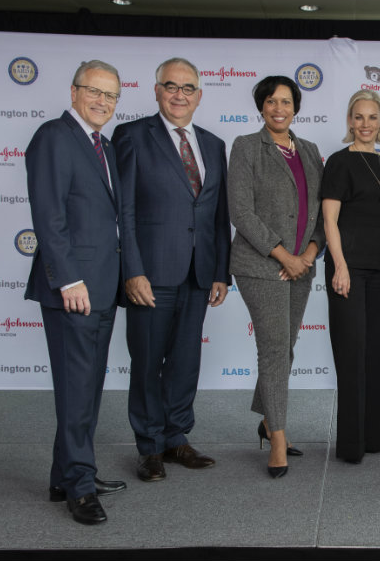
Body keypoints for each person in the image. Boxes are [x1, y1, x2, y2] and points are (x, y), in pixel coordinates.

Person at [112, 58, 231, 482]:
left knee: (185, 360)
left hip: (199, 274)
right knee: (146, 361)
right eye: (171, 86)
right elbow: (123, 210)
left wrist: (221, 271)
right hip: (151, 273)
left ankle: (176, 437)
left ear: (199, 95)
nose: (179, 94)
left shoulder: (214, 144)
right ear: (156, 90)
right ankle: (149, 447)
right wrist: (133, 270)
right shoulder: (131, 136)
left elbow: (218, 214)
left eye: (188, 88)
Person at [24, 60, 126, 525]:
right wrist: (68, 279)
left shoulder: (101, 145)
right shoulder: (54, 137)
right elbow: (49, 215)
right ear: (73, 92)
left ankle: (64, 475)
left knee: (84, 389)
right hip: (74, 289)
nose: (103, 102)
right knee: (76, 389)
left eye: (111, 95)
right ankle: (80, 489)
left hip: (101, 286)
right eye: (95, 92)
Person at [227, 75, 325, 478]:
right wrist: (283, 255)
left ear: (296, 107)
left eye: (286, 101)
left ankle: (268, 421)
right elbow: (241, 211)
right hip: (261, 265)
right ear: (261, 106)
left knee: (284, 350)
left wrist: (308, 254)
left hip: (302, 265)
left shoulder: (311, 150)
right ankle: (279, 439)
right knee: (272, 349)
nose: (278, 108)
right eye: (271, 101)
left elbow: (321, 210)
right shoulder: (247, 147)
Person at [322, 90, 380, 464]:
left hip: (379, 270)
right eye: (358, 117)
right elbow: (329, 220)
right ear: (349, 121)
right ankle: (351, 444)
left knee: (375, 354)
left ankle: (375, 438)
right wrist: (339, 265)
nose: (365, 124)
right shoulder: (339, 162)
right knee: (351, 355)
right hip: (346, 270)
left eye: (372, 117)